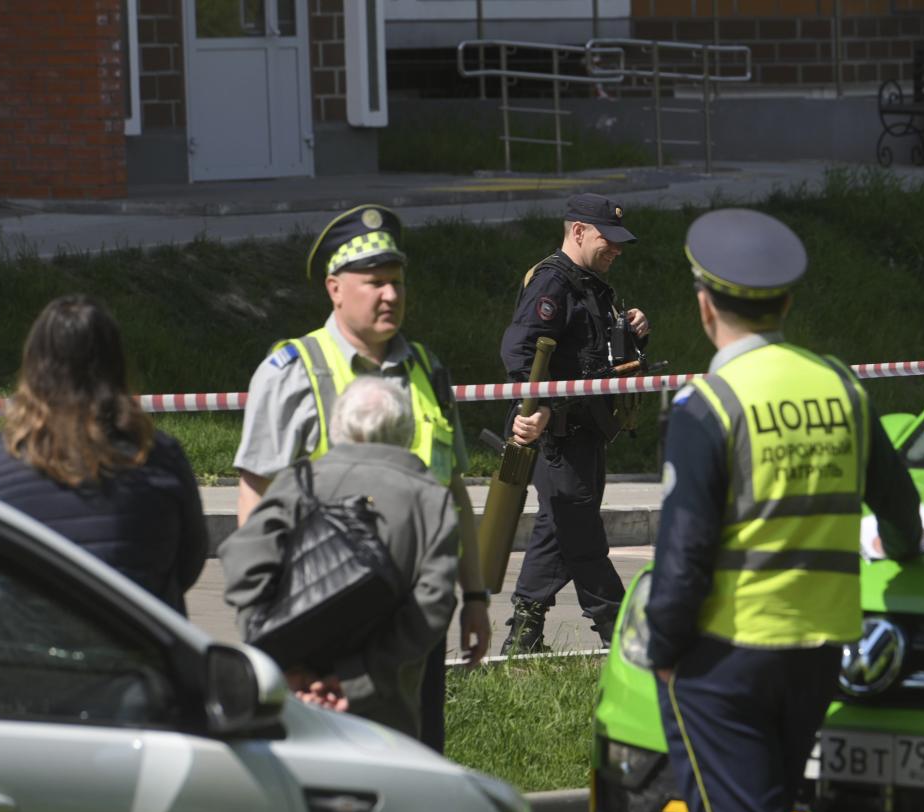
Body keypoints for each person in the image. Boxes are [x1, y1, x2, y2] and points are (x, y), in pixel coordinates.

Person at [645, 209, 924, 812]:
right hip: (819, 651)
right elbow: (901, 509)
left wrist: (662, 649)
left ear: (704, 306)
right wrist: (908, 554)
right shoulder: (843, 389)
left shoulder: (708, 405)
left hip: (727, 654)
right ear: (787, 303)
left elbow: (684, 550)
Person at [233, 204, 489, 753]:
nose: (390, 296)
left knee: (415, 772)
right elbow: (255, 500)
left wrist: (475, 597)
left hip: (413, 634)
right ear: (334, 288)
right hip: (322, 629)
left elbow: (455, 495)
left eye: (396, 282)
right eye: (374, 282)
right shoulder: (291, 372)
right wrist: (271, 633)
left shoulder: (429, 370)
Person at [221, 377, 459, 738]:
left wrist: (280, 658)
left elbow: (243, 560)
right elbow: (434, 604)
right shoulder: (430, 500)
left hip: (291, 699)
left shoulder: (299, 482)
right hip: (384, 713)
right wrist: (357, 682)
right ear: (406, 431)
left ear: (338, 426)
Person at [0, 294, 207, 616]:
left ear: (33, 366)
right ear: (116, 366)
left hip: (21, 653)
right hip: (139, 649)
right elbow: (187, 562)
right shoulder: (159, 456)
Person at [498, 192, 649, 653]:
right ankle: (622, 633)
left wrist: (633, 330)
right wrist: (538, 407)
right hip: (558, 434)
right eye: (609, 240)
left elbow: (595, 353)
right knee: (581, 533)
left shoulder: (590, 284)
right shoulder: (553, 283)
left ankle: (524, 633)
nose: (616, 250)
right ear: (578, 232)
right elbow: (519, 354)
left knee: (557, 524)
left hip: (587, 432)